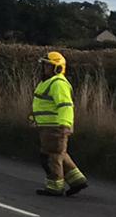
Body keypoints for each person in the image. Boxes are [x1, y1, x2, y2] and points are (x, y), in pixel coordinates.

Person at [31, 51, 86, 196]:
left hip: (54, 127)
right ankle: (77, 180)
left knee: (50, 157)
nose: (45, 69)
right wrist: (34, 118)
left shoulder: (58, 84)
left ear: (58, 68)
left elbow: (65, 106)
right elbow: (43, 105)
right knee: (59, 154)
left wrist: (65, 124)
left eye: (48, 66)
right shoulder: (49, 82)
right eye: (44, 65)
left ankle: (54, 187)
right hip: (48, 127)